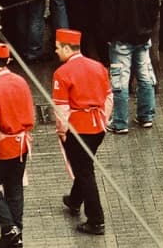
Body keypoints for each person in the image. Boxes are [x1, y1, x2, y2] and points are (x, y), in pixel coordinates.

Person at [52, 28, 112, 236]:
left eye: (58, 47)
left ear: (68, 48)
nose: (56, 50)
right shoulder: (98, 67)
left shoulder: (62, 73)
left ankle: (96, 220)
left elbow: (61, 107)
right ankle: (74, 200)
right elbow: (108, 97)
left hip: (77, 129)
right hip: (98, 127)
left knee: (85, 171)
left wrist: (61, 131)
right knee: (84, 164)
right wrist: (104, 119)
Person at [0, 42, 35, 248]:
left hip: (2, 146)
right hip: (22, 145)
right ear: (8, 60)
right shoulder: (21, 81)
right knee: (14, 188)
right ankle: (16, 235)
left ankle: (9, 228)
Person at [100, 0, 160, 133]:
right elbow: (154, 10)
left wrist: (108, 38)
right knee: (145, 77)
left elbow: (107, 19)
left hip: (121, 41)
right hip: (143, 38)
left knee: (120, 82)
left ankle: (119, 122)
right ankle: (146, 116)